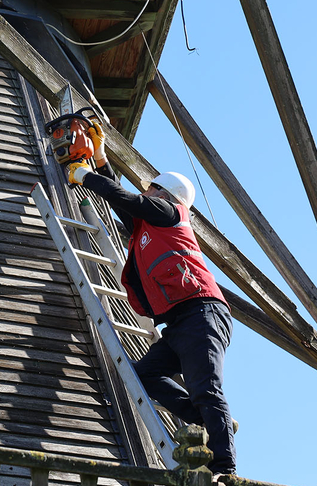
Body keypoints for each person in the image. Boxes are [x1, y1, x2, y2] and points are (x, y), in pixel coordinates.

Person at [66, 123, 236, 475]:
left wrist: (83, 174)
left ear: (163, 193)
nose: (146, 192)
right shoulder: (149, 227)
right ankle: (215, 420)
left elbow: (129, 200)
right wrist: (99, 162)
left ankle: (225, 466)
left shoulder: (171, 214)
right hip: (179, 321)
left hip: (202, 311)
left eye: (151, 189)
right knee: (144, 375)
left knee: (206, 387)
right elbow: (125, 205)